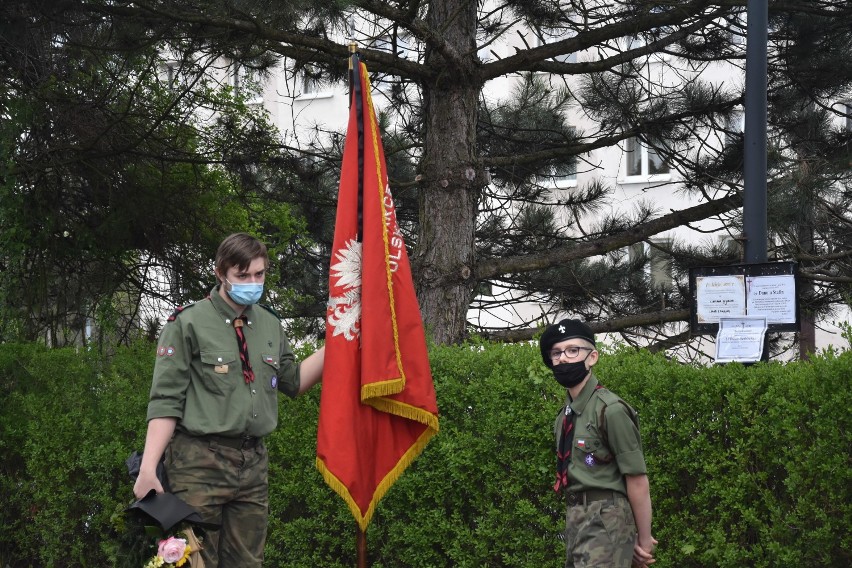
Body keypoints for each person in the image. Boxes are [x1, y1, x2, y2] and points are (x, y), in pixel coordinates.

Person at [133, 232, 325, 567]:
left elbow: (293, 382)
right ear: (221, 272)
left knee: (247, 563)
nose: (253, 282)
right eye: (243, 275)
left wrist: (341, 340)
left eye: (260, 274)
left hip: (252, 465)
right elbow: (166, 401)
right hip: (199, 464)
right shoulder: (188, 323)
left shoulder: (269, 323)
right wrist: (148, 468)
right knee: (193, 562)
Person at [539, 319, 656, 568]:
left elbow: (636, 479)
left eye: (572, 350)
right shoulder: (565, 416)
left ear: (592, 357)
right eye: (556, 353)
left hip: (606, 518)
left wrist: (644, 541)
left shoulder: (610, 410)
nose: (563, 359)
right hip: (575, 517)